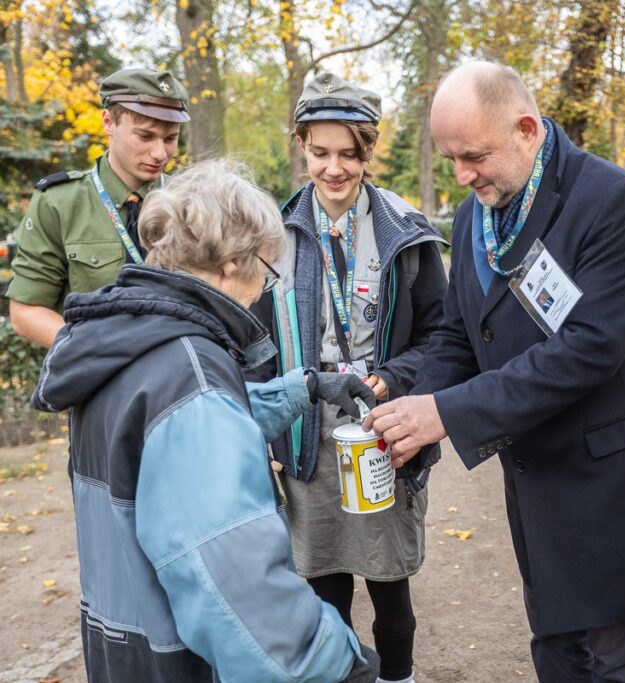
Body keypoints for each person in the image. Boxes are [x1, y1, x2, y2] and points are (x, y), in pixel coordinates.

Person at [364, 61, 625, 682]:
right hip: (538, 477)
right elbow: (460, 334)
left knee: (613, 660)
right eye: (451, 161)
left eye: (473, 156)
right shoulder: (477, 214)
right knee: (555, 650)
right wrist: (406, 410)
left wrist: (445, 413)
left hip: (610, 477)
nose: (463, 177)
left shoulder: (613, 201)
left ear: (526, 128)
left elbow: (588, 350)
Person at [30, 159, 381, 683]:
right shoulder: (187, 374)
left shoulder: (127, 340)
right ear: (232, 263)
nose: (267, 285)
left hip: (122, 638)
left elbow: (168, 448)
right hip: (183, 660)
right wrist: (329, 662)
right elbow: (235, 580)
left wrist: (300, 388)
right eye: (268, 265)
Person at [249, 73, 447, 683]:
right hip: (305, 439)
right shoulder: (269, 235)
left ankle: (398, 677)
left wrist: (392, 377)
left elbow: (442, 337)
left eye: (349, 153)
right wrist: (265, 433)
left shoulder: (404, 234)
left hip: (381, 433)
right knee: (323, 584)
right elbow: (252, 343)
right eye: (320, 152)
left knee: (391, 587)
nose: (334, 169)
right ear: (302, 146)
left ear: (368, 149)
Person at [7, 67, 189, 348]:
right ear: (108, 122)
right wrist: (98, 353)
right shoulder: (60, 202)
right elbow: (26, 312)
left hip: (177, 377)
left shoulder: (189, 202)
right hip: (92, 381)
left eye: (170, 139)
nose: (159, 153)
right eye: (144, 136)